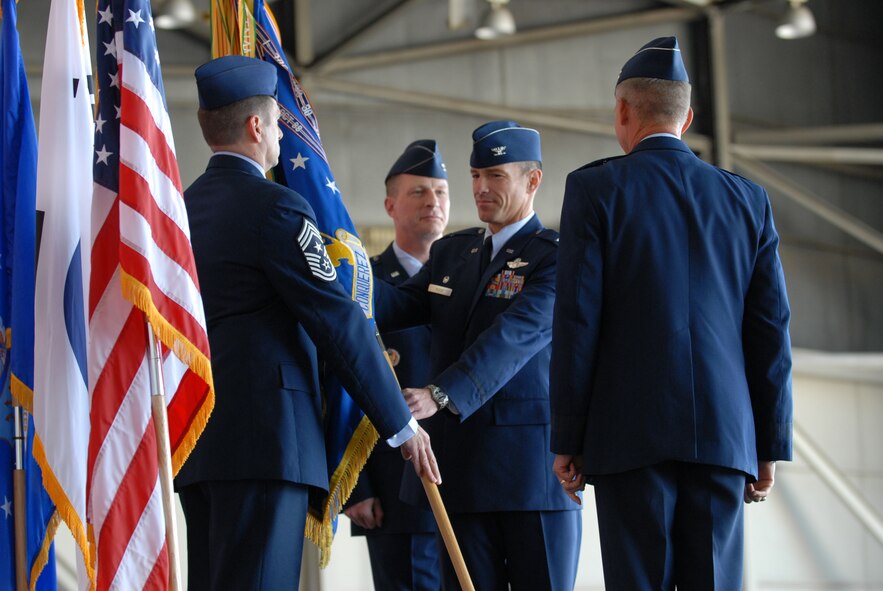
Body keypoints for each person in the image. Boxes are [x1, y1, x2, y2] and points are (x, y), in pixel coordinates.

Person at [174, 55, 440, 591]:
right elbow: (338, 320)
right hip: (266, 444)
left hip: (198, 441)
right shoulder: (276, 209)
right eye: (275, 122)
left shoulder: (180, 210)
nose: (278, 136)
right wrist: (401, 424)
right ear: (256, 127)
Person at [550, 36, 793, 590]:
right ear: (688, 117)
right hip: (725, 435)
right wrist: (769, 444)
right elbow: (770, 330)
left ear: (623, 110)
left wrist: (569, 436)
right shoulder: (747, 199)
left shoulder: (595, 189)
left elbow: (577, 321)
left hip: (626, 434)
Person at [375, 121, 581, 591]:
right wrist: (346, 280)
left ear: (533, 181)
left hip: (529, 474)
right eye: (474, 175)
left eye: (496, 176)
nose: (481, 189)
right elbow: (399, 304)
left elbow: (514, 336)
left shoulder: (556, 256)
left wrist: (440, 393)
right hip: (459, 473)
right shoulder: (454, 252)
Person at [343, 139, 449, 591]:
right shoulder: (362, 285)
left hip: (465, 482)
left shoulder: (469, 280)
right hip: (392, 484)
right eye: (418, 192)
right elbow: (342, 382)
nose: (433, 202)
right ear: (390, 205)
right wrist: (355, 485)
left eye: (441, 192)